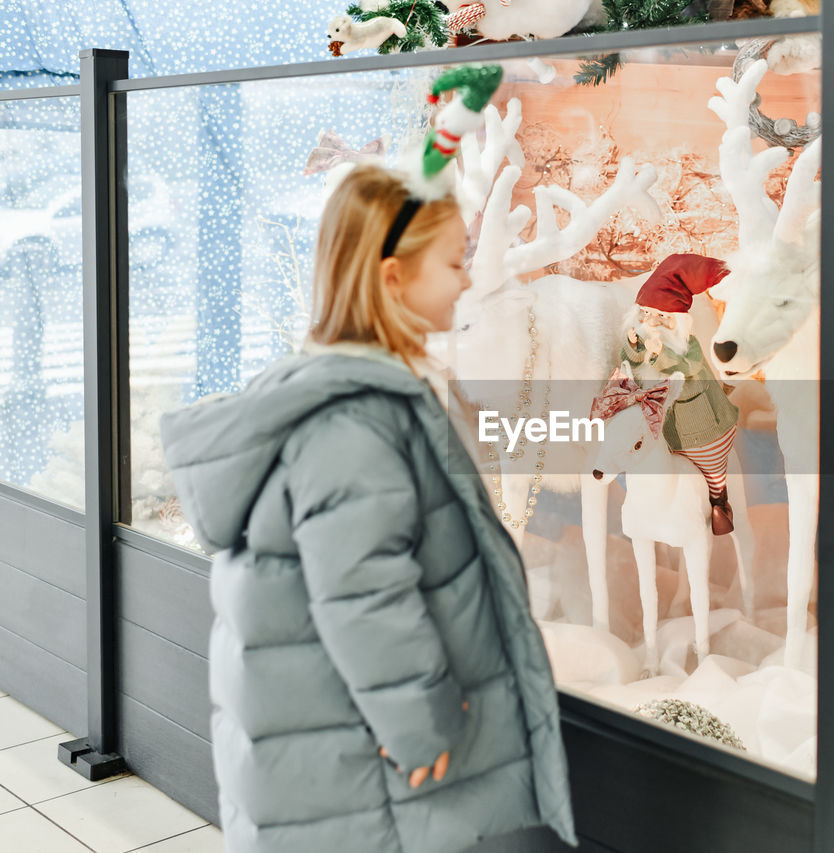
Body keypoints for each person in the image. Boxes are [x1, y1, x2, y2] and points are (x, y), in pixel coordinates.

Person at [159, 66, 575, 853]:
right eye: (453, 263)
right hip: (365, 768)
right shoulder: (355, 422)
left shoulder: (356, 392)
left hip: (339, 752)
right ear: (393, 278)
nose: (466, 280)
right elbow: (364, 596)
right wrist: (420, 728)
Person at [614, 253, 740, 534]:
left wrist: (660, 356)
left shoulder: (688, 346)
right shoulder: (645, 341)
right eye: (646, 314)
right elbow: (631, 365)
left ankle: (720, 502)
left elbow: (688, 365)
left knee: (713, 471)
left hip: (702, 426)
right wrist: (634, 349)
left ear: (677, 320)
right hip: (666, 433)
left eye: (660, 316)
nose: (652, 322)